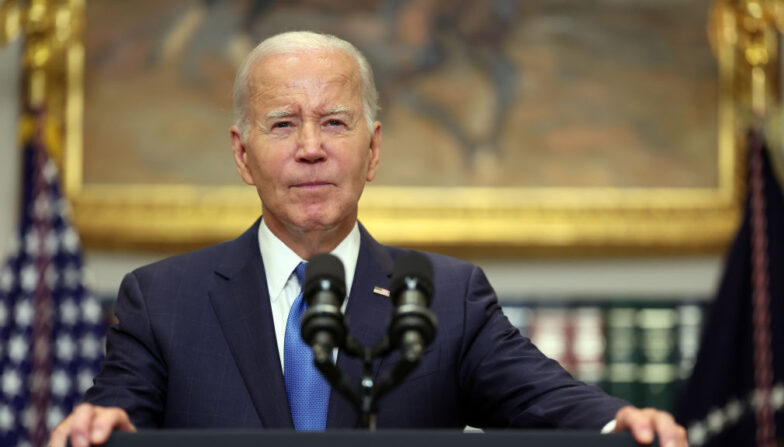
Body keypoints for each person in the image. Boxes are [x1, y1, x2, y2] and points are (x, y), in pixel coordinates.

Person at [49, 31, 687, 447]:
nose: (310, 149)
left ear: (373, 148)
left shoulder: (446, 298)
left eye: (334, 122)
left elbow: (542, 398)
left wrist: (618, 424)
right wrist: (101, 428)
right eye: (281, 124)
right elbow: (116, 413)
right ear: (243, 156)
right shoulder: (162, 300)